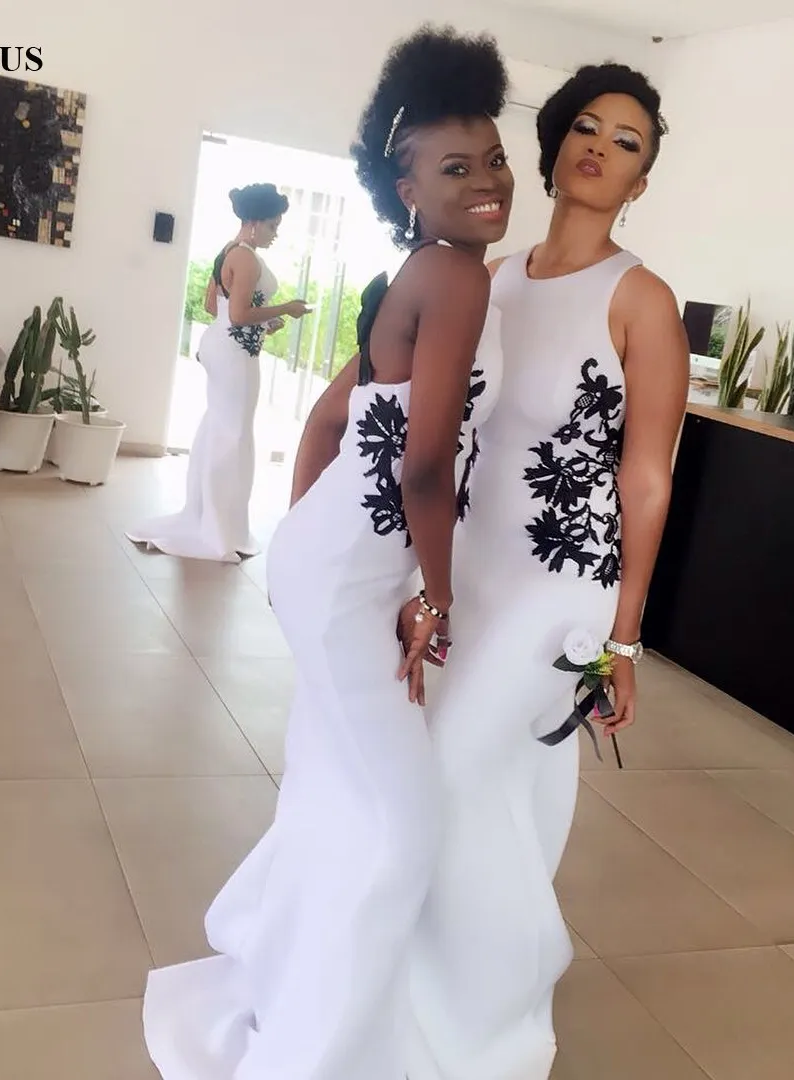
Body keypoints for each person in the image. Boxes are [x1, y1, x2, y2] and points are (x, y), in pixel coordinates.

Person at [141, 25, 514, 1080]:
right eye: (456, 168)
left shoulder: (420, 274)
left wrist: (316, 540)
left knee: (334, 790)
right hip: (353, 569)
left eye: (495, 159)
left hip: (338, 560)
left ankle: (300, 985)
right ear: (406, 189)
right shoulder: (457, 279)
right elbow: (426, 466)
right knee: (400, 829)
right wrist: (437, 595)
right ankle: (317, 1049)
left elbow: (327, 421)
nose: (488, 182)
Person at [407, 63, 690, 1080]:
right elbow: (452, 438)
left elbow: (647, 479)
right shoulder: (495, 277)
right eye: (589, 127)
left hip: (562, 587)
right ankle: (457, 983)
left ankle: (481, 1002)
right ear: (558, 142)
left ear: (640, 182)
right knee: (505, 784)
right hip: (478, 568)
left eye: (627, 143)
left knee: (452, 774)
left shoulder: (642, 301)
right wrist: (425, 580)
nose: (601, 147)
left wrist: (625, 639)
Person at [126, 183, 309, 561]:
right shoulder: (245, 257)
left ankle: (209, 516)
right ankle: (218, 527)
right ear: (254, 222)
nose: (276, 234)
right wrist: (285, 309)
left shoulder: (229, 251)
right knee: (233, 433)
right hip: (234, 355)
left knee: (220, 427)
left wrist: (262, 324)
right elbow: (239, 314)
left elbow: (216, 306)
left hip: (222, 345)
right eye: (273, 226)